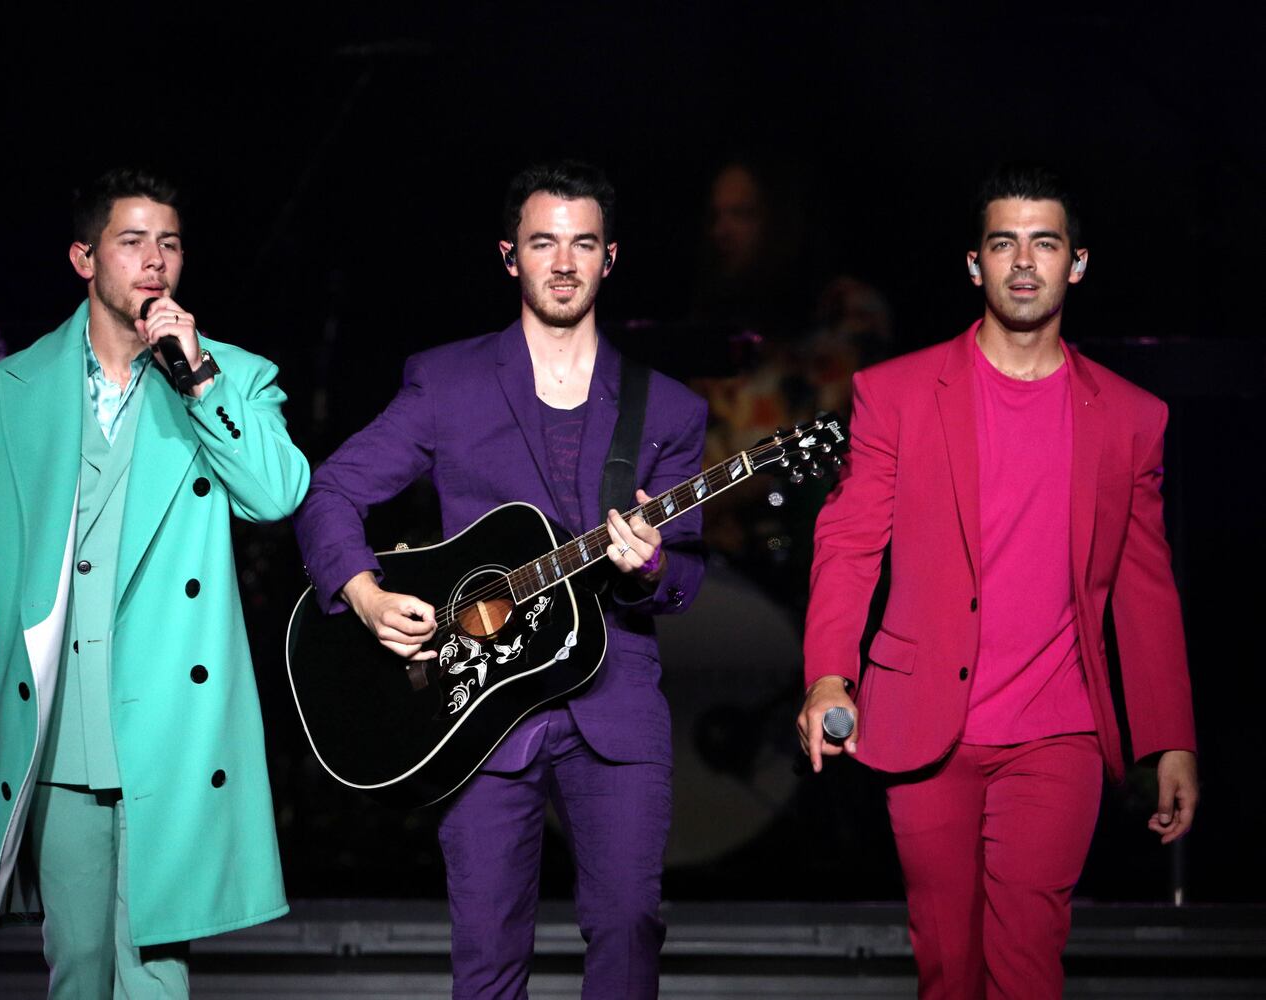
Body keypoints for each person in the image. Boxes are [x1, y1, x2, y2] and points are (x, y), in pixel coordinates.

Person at [294, 161, 706, 999]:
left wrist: (653, 564)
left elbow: (685, 573)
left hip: (613, 700)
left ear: (610, 258)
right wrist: (365, 594)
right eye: (543, 243)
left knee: (629, 926)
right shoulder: (447, 382)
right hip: (473, 704)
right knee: (486, 954)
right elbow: (331, 492)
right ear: (510, 256)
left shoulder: (667, 409)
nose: (564, 262)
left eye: (583, 244)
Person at [796, 164, 1199, 999]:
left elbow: (1145, 586)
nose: (1023, 261)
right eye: (1003, 243)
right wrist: (829, 675)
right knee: (948, 965)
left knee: (1026, 963)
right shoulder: (897, 394)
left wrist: (1171, 739)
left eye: (1044, 243)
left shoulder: (1131, 418)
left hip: (1060, 733)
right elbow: (849, 543)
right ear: (974, 263)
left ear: (1075, 264)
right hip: (926, 725)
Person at [0, 167, 311, 996]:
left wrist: (200, 378)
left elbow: (277, 494)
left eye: (169, 243)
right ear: (84, 258)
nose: (154, 260)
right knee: (76, 969)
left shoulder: (230, 375)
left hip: (171, 723)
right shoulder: (10, 392)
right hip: (58, 723)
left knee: (155, 970)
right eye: (132, 242)